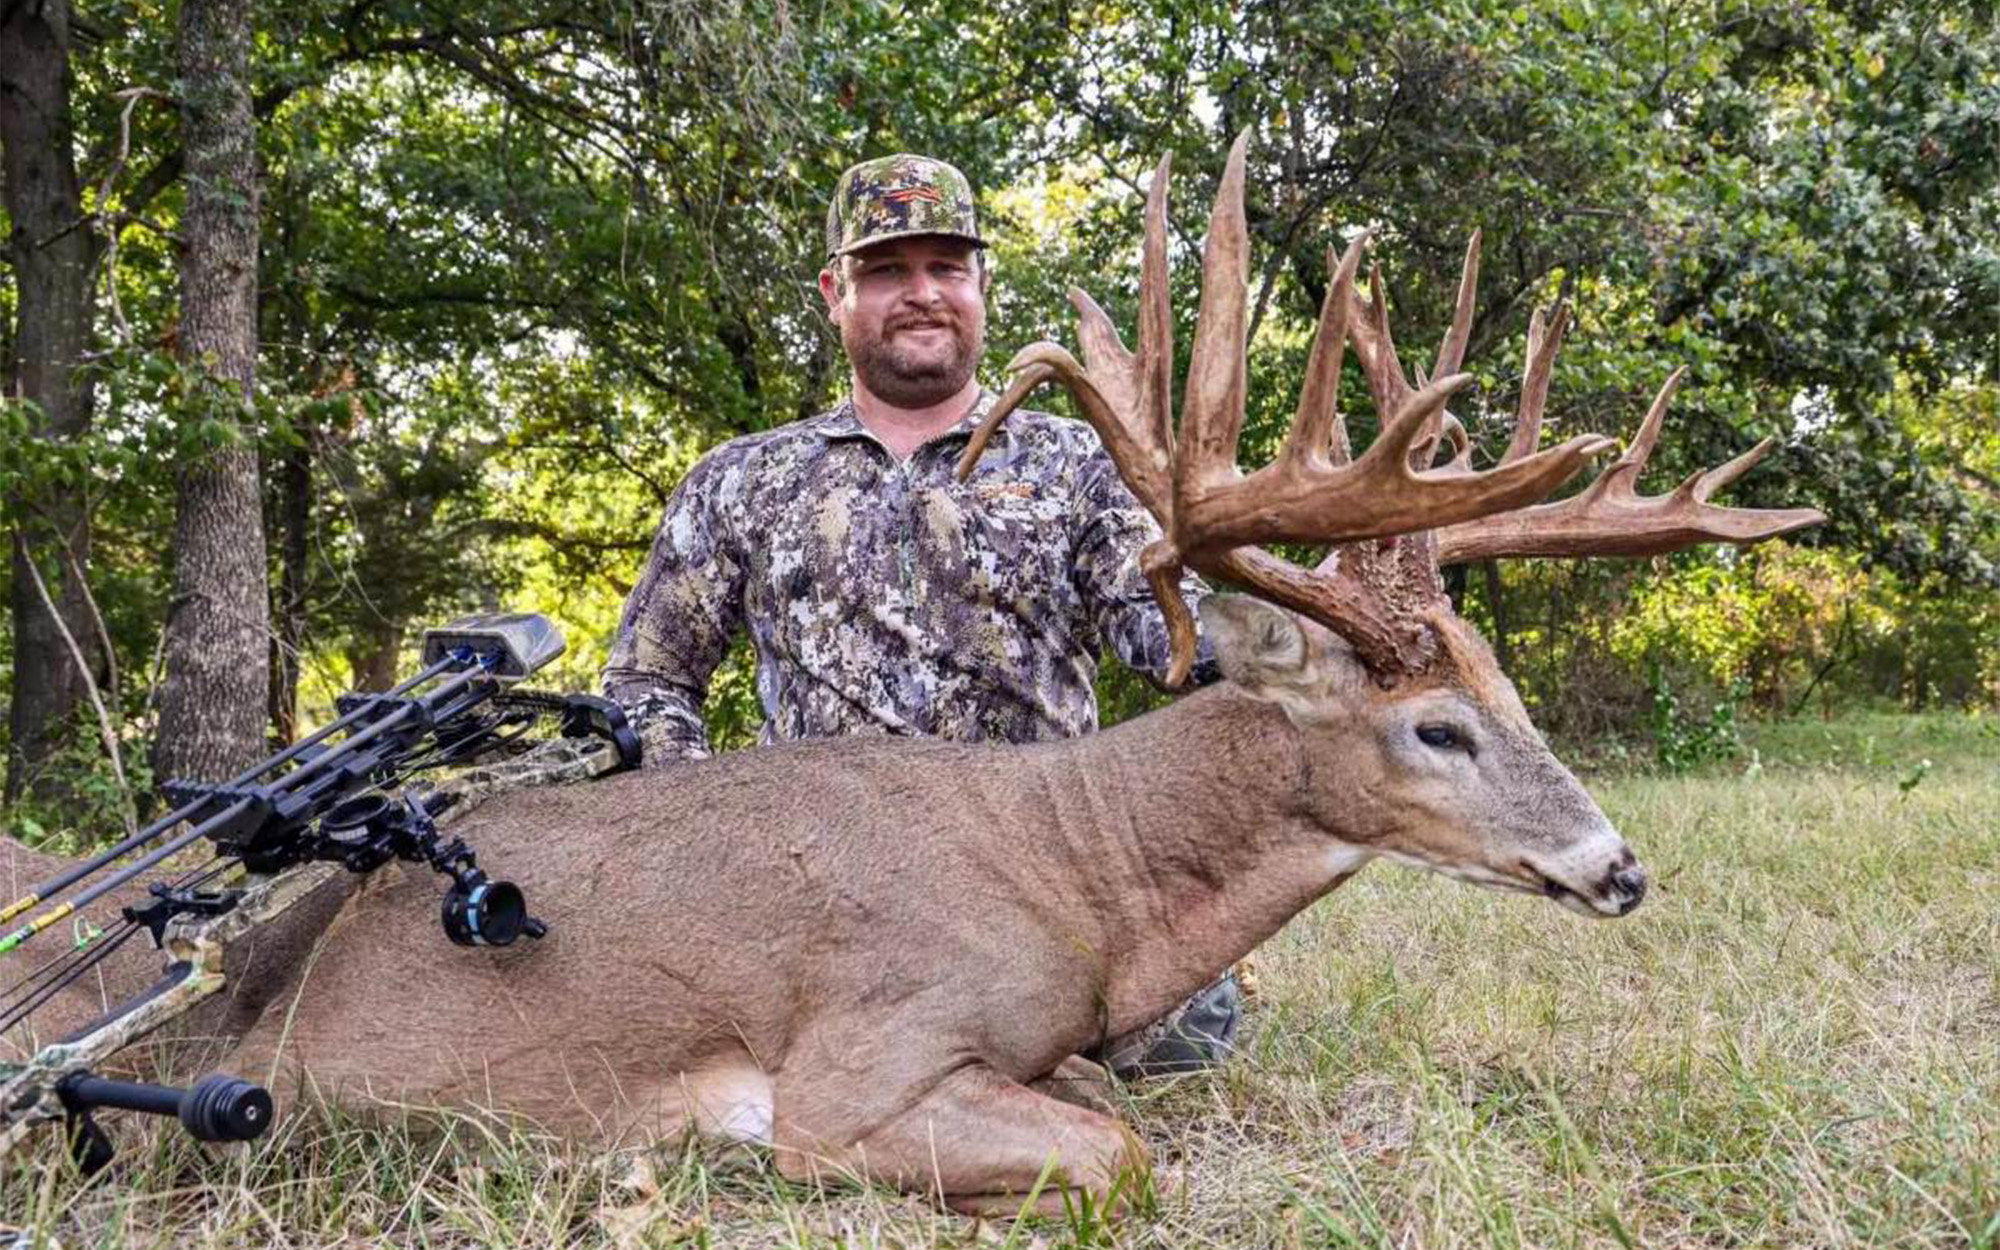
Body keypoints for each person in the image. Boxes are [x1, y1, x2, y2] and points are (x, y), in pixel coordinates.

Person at [602, 153, 1237, 1075]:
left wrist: (1290, 639)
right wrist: (707, 837)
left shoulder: (1079, 464)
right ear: (835, 291)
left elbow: (1164, 628)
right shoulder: (744, 480)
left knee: (1188, 1037)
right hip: (825, 895)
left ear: (982, 284)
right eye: (887, 271)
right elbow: (648, 679)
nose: (921, 294)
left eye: (946, 267)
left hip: (1036, 879)